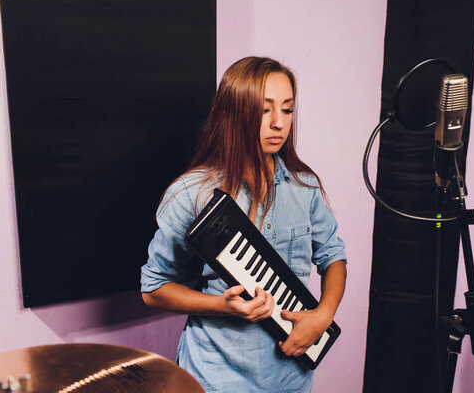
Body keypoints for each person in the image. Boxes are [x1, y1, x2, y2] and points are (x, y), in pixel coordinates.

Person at [140, 56, 347, 393]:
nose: (279, 123)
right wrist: (222, 306)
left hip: (292, 374)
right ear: (235, 114)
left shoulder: (304, 186)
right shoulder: (190, 195)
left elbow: (334, 256)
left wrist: (323, 314)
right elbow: (153, 289)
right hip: (218, 375)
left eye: (288, 109)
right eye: (265, 110)